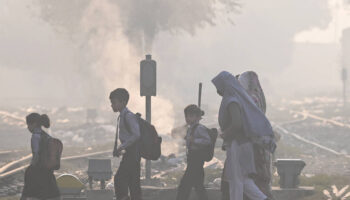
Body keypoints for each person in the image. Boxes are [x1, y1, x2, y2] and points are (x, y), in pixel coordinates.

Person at [212, 71, 275, 200]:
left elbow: (237, 124)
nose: (218, 90)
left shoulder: (231, 100)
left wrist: (224, 134)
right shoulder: (237, 98)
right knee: (242, 180)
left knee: (236, 180)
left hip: (237, 144)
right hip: (241, 144)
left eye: (218, 86)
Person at [238, 71, 275, 200]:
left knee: (254, 176)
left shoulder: (249, 98)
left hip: (254, 142)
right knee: (261, 175)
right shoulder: (257, 95)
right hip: (261, 141)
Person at [110, 88, 142, 200]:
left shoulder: (128, 116)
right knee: (133, 184)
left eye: (114, 102)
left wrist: (122, 146)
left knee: (119, 179)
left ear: (123, 102)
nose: (112, 105)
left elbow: (136, 134)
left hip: (132, 154)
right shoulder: (123, 116)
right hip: (131, 154)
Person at [21, 113, 60, 200]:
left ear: (34, 124)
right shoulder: (47, 136)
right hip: (48, 170)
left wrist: (31, 168)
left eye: (28, 125)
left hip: (38, 170)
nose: (28, 128)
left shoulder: (35, 136)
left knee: (29, 192)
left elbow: (36, 154)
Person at [176, 104, 211, 200]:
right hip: (192, 159)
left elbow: (207, 141)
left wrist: (194, 141)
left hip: (196, 160)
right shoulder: (191, 128)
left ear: (198, 117)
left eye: (191, 116)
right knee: (198, 186)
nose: (188, 118)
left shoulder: (199, 128)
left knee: (184, 185)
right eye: (186, 116)